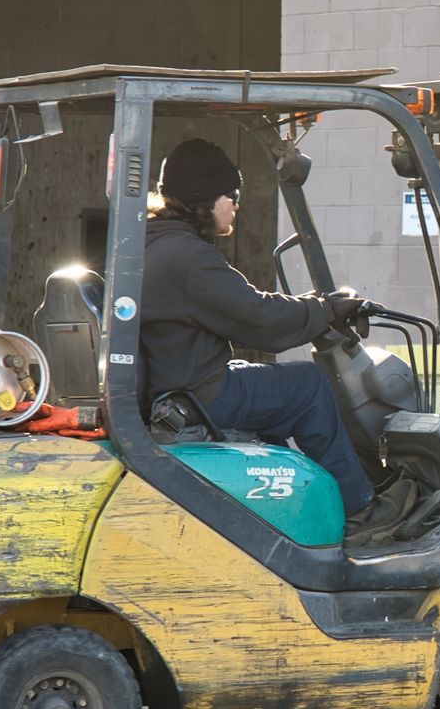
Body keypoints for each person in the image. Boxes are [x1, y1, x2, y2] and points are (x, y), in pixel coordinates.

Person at [138, 137, 412, 536]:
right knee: (305, 385)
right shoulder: (190, 257)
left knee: (270, 384)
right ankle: (361, 510)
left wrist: (313, 307)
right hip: (196, 392)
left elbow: (245, 307)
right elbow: (259, 318)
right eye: (231, 194)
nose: (236, 204)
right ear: (203, 197)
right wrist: (324, 310)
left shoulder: (153, 243)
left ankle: (301, 501)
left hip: (177, 381)